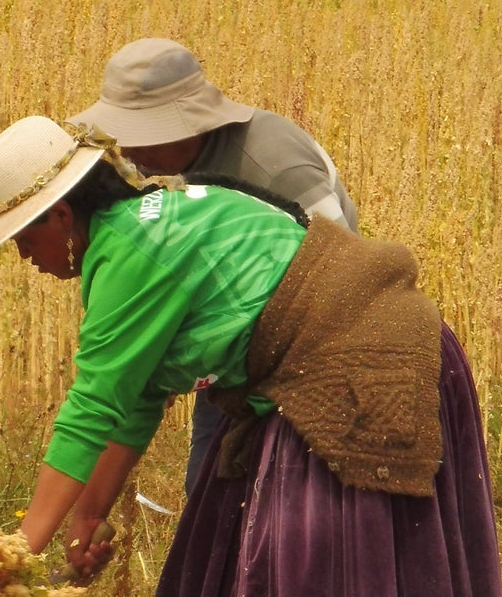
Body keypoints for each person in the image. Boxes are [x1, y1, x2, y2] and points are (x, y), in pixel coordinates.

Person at [0, 114, 502, 597]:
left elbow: (91, 406)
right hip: (327, 368)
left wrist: (15, 555)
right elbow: (133, 404)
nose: (23, 257)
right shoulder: (141, 226)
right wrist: (88, 515)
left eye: (22, 237)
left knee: (343, 584)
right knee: (217, 557)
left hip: (358, 371)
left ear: (61, 214)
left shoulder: (130, 247)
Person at [72, 38, 358, 492]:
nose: (130, 151)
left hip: (311, 353)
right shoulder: (161, 167)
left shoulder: (274, 163)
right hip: (230, 351)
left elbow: (344, 275)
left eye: (144, 134)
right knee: (210, 492)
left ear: (187, 124)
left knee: (290, 501)